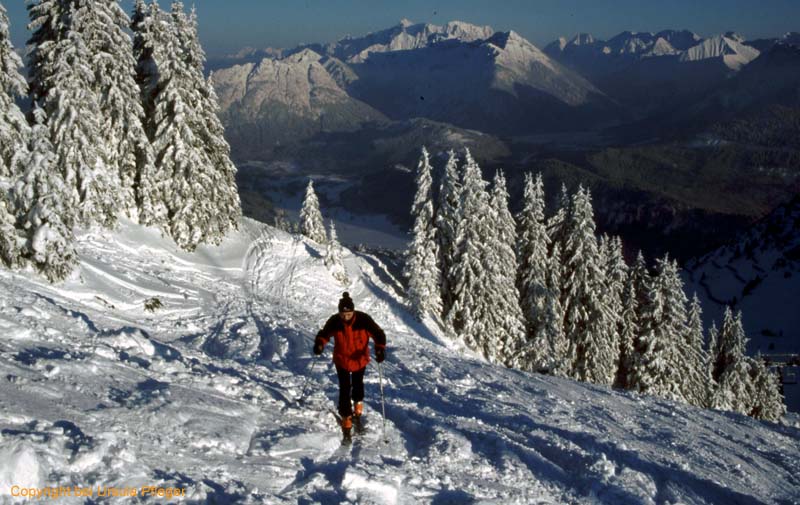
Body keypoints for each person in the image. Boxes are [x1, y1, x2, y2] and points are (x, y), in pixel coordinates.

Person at [314, 292, 386, 439]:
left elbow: (378, 333)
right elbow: (325, 333)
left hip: (359, 359)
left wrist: (379, 348)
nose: (345, 317)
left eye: (348, 314)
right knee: (345, 387)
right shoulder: (335, 321)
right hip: (342, 360)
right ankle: (346, 416)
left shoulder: (363, 320)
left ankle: (358, 403)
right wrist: (320, 344)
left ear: (353, 312)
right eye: (343, 314)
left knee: (358, 384)